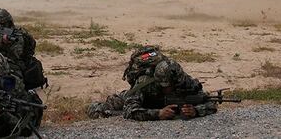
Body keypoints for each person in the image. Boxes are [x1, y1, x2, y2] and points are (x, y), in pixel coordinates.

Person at [88, 46, 218, 121]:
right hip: (139, 98)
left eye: (170, 85)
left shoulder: (185, 82)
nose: (167, 89)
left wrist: (195, 111)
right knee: (98, 111)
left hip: (155, 103)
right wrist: (158, 114)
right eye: (163, 85)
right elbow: (129, 110)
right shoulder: (144, 82)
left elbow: (210, 103)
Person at [0, 8, 45, 90]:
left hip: (13, 63)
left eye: (4, 23)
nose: (2, 26)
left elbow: (31, 46)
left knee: (14, 85)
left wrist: (11, 45)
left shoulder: (19, 32)